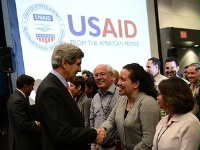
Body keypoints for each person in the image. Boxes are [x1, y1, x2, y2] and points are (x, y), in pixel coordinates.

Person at [35, 43, 106, 150]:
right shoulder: (50, 89)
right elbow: (62, 133)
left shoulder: (55, 86)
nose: (79, 69)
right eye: (78, 64)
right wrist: (94, 134)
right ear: (64, 63)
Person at [100, 63, 161, 150]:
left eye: (123, 79)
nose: (118, 83)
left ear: (136, 84)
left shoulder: (147, 103)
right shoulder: (122, 99)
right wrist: (103, 130)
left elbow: (149, 140)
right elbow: (111, 120)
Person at [152, 77, 200, 150]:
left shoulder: (190, 123)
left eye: (160, 94)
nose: (157, 97)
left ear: (172, 97)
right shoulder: (164, 120)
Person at [90, 64, 120, 150]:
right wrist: (92, 146)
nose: (98, 77)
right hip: (98, 147)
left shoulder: (121, 95)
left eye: (102, 74)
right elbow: (92, 121)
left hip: (116, 147)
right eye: (96, 75)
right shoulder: (95, 98)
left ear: (112, 76)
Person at [7, 74, 41, 150]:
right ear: (25, 86)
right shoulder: (18, 101)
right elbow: (23, 125)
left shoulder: (14, 96)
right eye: (31, 86)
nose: (32, 89)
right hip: (22, 143)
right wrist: (36, 124)